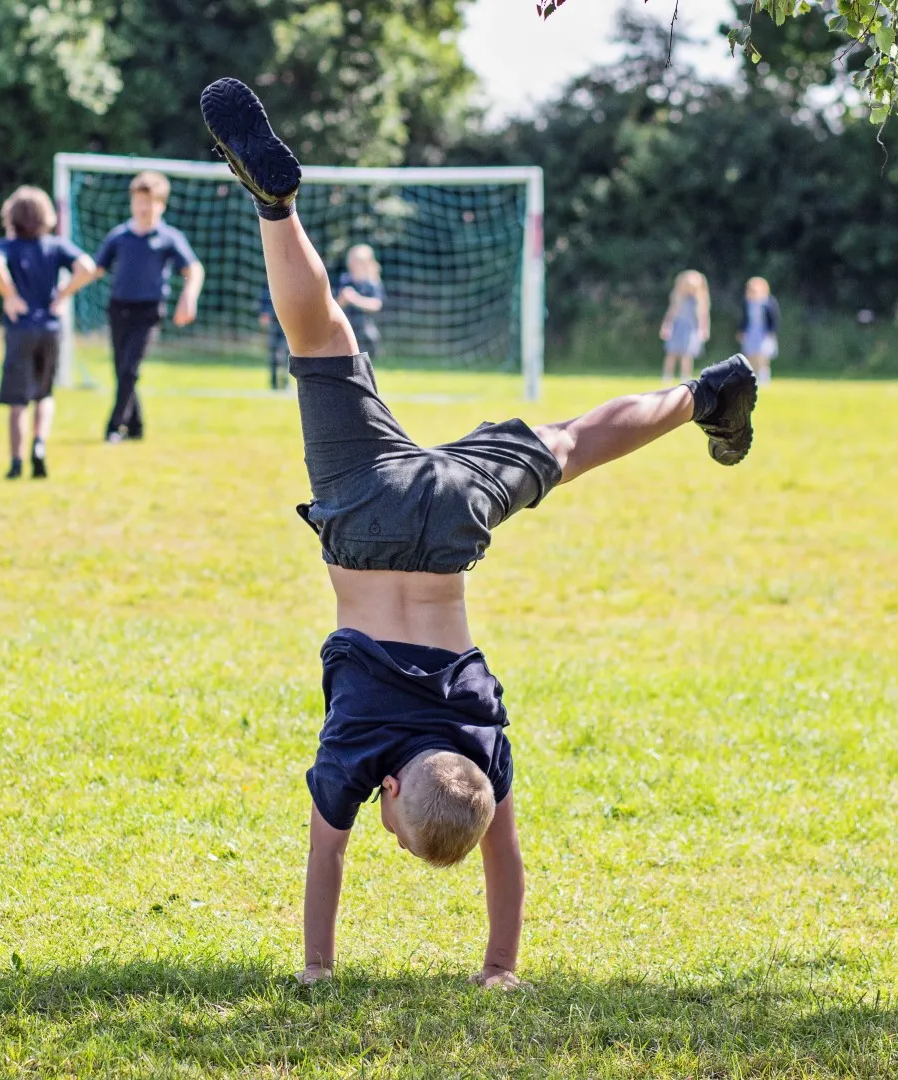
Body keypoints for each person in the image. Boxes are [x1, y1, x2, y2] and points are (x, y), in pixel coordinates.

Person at [199, 77, 758, 990]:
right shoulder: (355, 755)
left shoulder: (482, 744)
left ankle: (707, 390)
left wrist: (507, 965)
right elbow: (326, 860)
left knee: (570, 442)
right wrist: (315, 970)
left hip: (450, 509)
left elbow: (504, 860)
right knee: (322, 339)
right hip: (366, 509)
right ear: (387, 792)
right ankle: (273, 210)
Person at [0, 186, 98, 479]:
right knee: (44, 394)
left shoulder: (5, 246)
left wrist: (8, 294)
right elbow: (86, 266)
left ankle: (16, 462)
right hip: (50, 328)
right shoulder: (56, 246)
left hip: (20, 328)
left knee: (18, 400)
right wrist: (65, 293)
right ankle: (39, 446)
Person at [88, 171, 204, 442]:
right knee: (122, 370)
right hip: (118, 309)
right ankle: (136, 426)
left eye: (150, 202)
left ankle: (115, 427)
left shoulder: (168, 237)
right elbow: (96, 268)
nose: (144, 207)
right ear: (132, 203)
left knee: (130, 369)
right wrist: (67, 287)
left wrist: (189, 295)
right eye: (139, 201)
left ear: (161, 205)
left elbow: (193, 268)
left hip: (148, 311)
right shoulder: (119, 236)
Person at [658, 270, 710, 383]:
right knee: (671, 353)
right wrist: (666, 325)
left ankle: (685, 376)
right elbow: (671, 313)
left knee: (687, 355)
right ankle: (667, 375)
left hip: (691, 330)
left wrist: (704, 329)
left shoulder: (699, 300)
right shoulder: (678, 298)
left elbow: (703, 316)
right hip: (677, 328)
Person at [335, 244, 385, 359]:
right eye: (351, 260)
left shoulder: (372, 283)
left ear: (366, 263)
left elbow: (376, 304)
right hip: (346, 328)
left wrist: (355, 299)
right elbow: (336, 306)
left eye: (356, 261)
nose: (352, 263)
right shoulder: (344, 280)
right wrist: (343, 299)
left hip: (365, 332)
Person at [738, 276, 781, 387]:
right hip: (750, 332)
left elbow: (774, 318)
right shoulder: (746, 303)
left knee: (763, 355)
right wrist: (741, 331)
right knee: (751, 355)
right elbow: (743, 318)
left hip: (764, 332)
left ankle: (764, 376)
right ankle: (753, 377)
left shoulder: (769, 302)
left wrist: (773, 331)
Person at [259, 281, 289, 390]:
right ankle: (273, 382)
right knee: (273, 351)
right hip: (273, 319)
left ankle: (285, 382)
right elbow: (264, 296)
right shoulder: (269, 280)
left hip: (287, 319)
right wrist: (264, 312)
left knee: (287, 351)